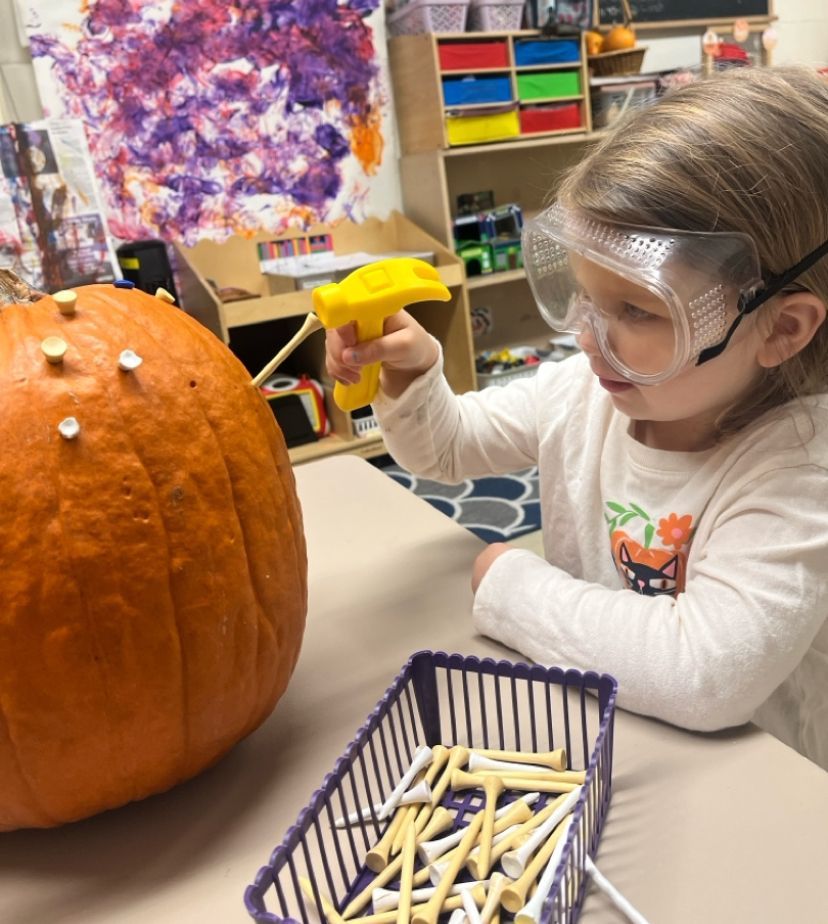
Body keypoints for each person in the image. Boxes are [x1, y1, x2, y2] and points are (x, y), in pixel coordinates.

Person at [325, 67, 828, 769]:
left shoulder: (801, 469)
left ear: (782, 329)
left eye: (638, 312)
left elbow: (705, 673)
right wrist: (412, 376)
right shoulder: (584, 392)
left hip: (762, 783)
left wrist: (511, 583)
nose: (588, 336)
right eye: (581, 294)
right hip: (610, 728)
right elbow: (446, 450)